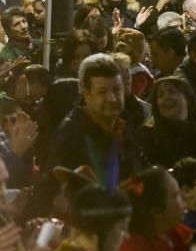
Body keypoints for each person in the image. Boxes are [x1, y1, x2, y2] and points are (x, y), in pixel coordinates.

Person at [46, 53, 145, 188]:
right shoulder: (70, 136)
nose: (112, 98)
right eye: (102, 92)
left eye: (117, 90)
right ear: (86, 95)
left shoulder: (124, 124)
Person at [137, 76, 196, 171]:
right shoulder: (148, 137)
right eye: (160, 95)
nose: (166, 98)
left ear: (188, 99)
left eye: (172, 92)